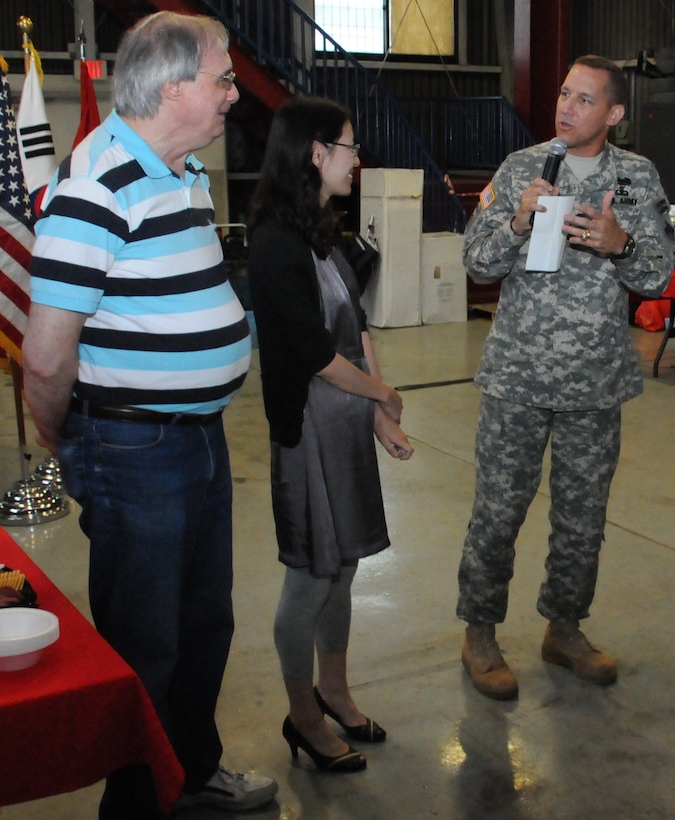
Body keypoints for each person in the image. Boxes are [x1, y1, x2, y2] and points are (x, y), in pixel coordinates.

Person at [22, 12, 277, 817]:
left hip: (197, 441)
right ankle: (138, 808)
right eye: (222, 79)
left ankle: (192, 774)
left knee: (205, 625)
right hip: (131, 447)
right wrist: (70, 440)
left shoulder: (185, 172)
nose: (234, 95)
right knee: (145, 646)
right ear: (173, 88)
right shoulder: (94, 187)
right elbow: (45, 356)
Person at [456, 55, 675, 700]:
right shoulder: (521, 167)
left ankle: (564, 628)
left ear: (613, 115)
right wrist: (518, 219)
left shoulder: (636, 179)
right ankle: (479, 632)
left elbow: (660, 275)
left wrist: (623, 245)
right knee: (498, 512)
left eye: (584, 100)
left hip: (595, 382)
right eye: (562, 94)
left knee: (583, 517)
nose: (565, 108)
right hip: (518, 376)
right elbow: (475, 257)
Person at [247, 96, 414, 773]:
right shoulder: (273, 243)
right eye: (347, 145)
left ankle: (337, 691)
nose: (356, 157)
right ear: (315, 152)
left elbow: (358, 327)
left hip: (345, 423)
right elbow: (314, 352)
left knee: (342, 568)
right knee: (309, 577)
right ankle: (302, 715)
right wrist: (382, 393)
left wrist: (376, 413)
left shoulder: (320, 227)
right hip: (309, 429)